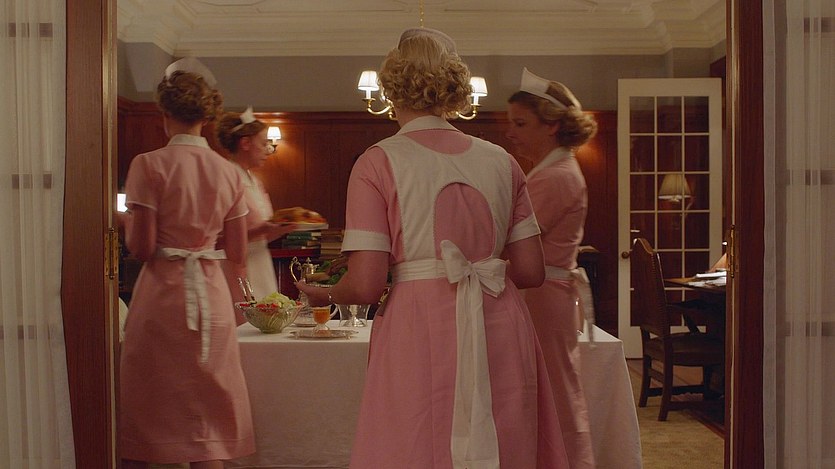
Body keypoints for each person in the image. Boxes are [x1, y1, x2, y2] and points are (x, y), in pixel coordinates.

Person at [297, 29, 569, 468]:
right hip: (500, 319)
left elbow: (365, 285)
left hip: (417, 323)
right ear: (454, 88)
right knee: (506, 440)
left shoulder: (377, 161)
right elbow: (531, 271)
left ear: (390, 88)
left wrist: (324, 293)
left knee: (416, 443)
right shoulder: (502, 161)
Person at [118, 57, 255, 469]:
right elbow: (238, 252)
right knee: (207, 414)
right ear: (206, 117)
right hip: (211, 296)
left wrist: (123, 220)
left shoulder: (148, 164)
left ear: (164, 114)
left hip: (162, 297)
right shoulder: (228, 172)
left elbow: (142, 248)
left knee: (152, 407)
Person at [505, 68, 599, 468]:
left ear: (552, 125)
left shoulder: (555, 177)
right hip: (544, 295)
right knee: (547, 388)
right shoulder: (551, 171)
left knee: (555, 391)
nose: (511, 133)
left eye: (520, 124)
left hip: (543, 296)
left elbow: (511, 240)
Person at [215, 107, 296, 308]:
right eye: (263, 143)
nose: (268, 149)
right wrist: (263, 229)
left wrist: (280, 228)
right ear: (245, 143)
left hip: (260, 262)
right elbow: (218, 238)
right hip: (235, 265)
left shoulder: (255, 181)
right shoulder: (225, 177)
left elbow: (260, 233)